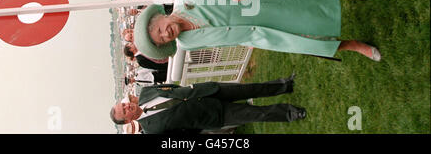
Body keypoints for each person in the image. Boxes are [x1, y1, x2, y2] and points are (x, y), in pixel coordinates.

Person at [133, 0, 381, 62]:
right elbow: (217, 40)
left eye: (160, 30)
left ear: (160, 18)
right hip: (257, 33)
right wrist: (244, 41)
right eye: (162, 39)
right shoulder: (185, 43)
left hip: (256, 2)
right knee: (305, 40)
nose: (166, 35)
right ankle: (352, 45)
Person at [110, 75, 306, 134]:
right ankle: (291, 113)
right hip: (211, 116)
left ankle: (284, 85)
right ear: (127, 120)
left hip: (208, 90)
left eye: (124, 104)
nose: (128, 106)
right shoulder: (152, 131)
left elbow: (172, 87)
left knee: (250, 88)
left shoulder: (145, 92)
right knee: (255, 114)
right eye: (124, 111)